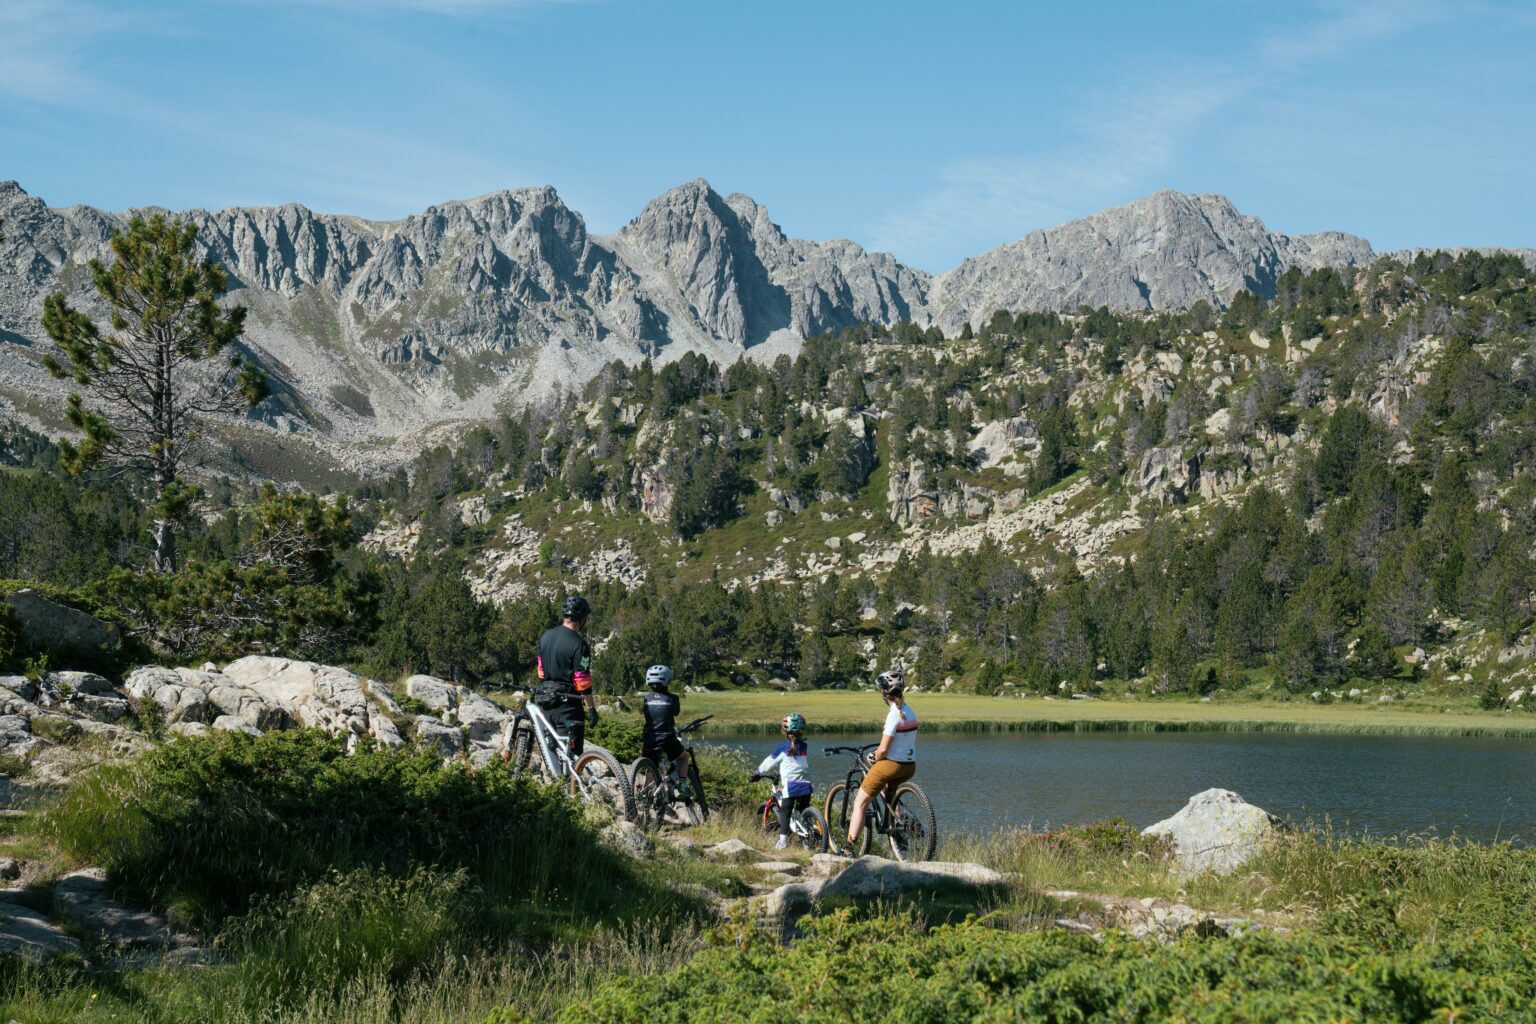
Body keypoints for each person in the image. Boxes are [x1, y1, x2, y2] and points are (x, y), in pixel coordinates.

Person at [843, 672, 916, 852]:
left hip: (892, 765)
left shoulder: (893, 714)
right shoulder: (910, 711)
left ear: (884, 693)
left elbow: (883, 750)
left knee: (860, 802)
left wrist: (873, 756)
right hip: (909, 766)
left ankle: (849, 846)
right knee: (889, 792)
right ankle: (898, 829)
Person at [535, 595, 597, 761]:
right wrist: (591, 709)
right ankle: (570, 786)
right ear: (582, 618)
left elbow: (540, 671)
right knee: (573, 760)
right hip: (568, 707)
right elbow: (582, 682)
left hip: (545, 702)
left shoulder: (545, 637)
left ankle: (554, 786)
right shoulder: (580, 644)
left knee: (551, 756)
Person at [752, 712, 812, 850]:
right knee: (802, 811)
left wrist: (757, 772)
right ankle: (809, 840)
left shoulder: (782, 747)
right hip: (806, 786)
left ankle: (783, 842)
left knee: (786, 811)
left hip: (791, 786)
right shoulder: (804, 746)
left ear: (785, 730)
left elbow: (769, 763)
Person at [641, 663, 689, 781]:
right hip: (666, 738)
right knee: (683, 757)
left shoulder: (646, 698)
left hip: (648, 739)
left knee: (652, 767)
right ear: (667, 681)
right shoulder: (672, 698)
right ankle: (683, 784)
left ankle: (646, 792)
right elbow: (676, 712)